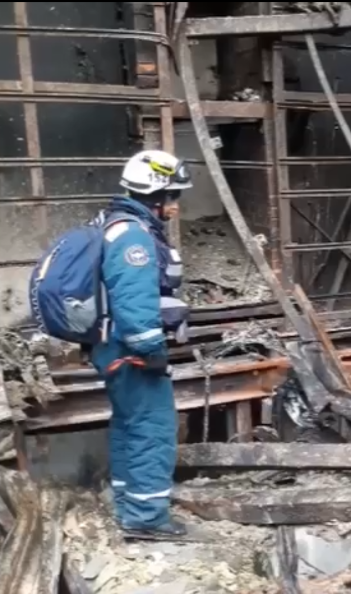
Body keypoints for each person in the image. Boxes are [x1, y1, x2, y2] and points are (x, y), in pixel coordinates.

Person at [90, 149, 192, 537]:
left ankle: (128, 504)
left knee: (129, 424)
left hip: (111, 347)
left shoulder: (113, 223)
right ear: (156, 194)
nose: (175, 205)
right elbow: (134, 302)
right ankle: (147, 519)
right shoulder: (133, 236)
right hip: (130, 350)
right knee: (152, 427)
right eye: (173, 196)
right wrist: (151, 349)